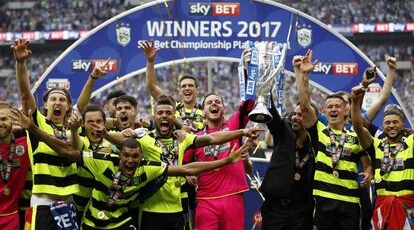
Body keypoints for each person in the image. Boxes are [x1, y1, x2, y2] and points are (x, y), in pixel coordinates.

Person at [10, 108, 249, 230]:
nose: (132, 161)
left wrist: (227, 161)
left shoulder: (149, 168)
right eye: (127, 156)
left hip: (121, 223)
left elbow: (187, 169)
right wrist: (33, 128)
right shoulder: (102, 160)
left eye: (136, 157)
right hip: (92, 223)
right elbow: (67, 152)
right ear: (119, 155)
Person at [105, 94, 262, 230]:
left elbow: (212, 139)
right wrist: (105, 131)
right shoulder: (143, 138)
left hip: (177, 210)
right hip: (150, 210)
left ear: (175, 116)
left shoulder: (183, 139)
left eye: (168, 113)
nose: (164, 116)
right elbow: (117, 139)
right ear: (154, 117)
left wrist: (242, 131)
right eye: (160, 113)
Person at [296, 50, 372, 230]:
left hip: (350, 202)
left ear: (346, 110)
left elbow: (367, 164)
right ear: (324, 111)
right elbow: (305, 106)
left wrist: (368, 173)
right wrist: (304, 75)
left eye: (338, 106)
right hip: (323, 200)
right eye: (329, 107)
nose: (333, 109)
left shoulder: (356, 136)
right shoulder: (319, 131)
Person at [13, 38, 79, 229]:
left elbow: (75, 152)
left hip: (69, 203)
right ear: (45, 104)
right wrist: (21, 63)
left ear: (68, 106)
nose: (57, 102)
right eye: (53, 99)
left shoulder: (73, 129)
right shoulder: (39, 123)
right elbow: (26, 94)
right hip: (43, 203)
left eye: (62, 99)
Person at [183, 92, 254, 230]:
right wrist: (187, 175)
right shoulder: (196, 138)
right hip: (205, 200)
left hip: (232, 196)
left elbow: (248, 105)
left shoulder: (234, 126)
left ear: (223, 109)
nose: (214, 104)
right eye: (209, 103)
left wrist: (249, 74)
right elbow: (181, 162)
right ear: (203, 112)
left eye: (217, 102)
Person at [351, 85, 414, 230]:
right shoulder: (376, 145)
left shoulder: (411, 143)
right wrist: (354, 101)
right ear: (383, 126)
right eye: (387, 123)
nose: (391, 126)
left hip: (408, 208)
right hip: (382, 208)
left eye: (395, 122)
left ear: (402, 125)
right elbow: (357, 127)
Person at [259, 95, 315, 230]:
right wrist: (266, 94)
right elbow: (272, 116)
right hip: (275, 209)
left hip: (302, 211)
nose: (295, 117)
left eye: (300, 115)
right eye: (294, 114)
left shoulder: (316, 143)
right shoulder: (284, 130)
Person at [141, 40, 204, 132]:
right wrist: (150, 61)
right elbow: (152, 87)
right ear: (179, 91)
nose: (187, 88)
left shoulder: (205, 111)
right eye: (183, 86)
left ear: (197, 90)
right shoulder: (171, 106)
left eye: (190, 85)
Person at [0, 102, 30, 230]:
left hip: (13, 218)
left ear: (12, 121)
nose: (0, 123)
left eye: (3, 119)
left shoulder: (25, 145)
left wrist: (27, 127)